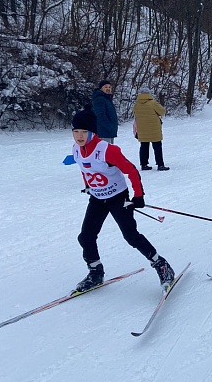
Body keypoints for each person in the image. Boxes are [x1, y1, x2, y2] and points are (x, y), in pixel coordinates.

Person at [70, 106, 175, 293]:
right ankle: (95, 272)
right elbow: (85, 169)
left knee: (131, 236)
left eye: (84, 132)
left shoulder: (107, 150)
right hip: (97, 199)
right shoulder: (76, 150)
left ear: (92, 132)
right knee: (85, 237)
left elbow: (132, 170)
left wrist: (139, 195)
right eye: (75, 131)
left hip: (118, 198)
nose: (79, 136)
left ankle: (162, 266)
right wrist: (88, 185)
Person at [133, 86, 169, 171]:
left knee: (144, 146)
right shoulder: (153, 103)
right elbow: (162, 111)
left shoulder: (136, 104)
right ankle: (160, 165)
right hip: (154, 128)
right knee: (157, 146)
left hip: (142, 128)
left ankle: (144, 164)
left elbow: (135, 113)